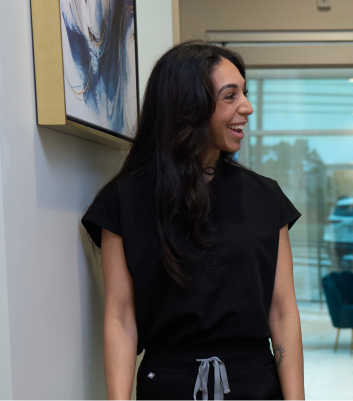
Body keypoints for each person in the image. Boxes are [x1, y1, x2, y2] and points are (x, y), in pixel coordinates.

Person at [82, 41, 305, 401]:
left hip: (255, 386)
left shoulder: (266, 198)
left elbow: (282, 312)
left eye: (244, 94)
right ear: (188, 104)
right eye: (230, 96)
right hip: (166, 386)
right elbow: (120, 318)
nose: (247, 108)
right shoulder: (124, 200)